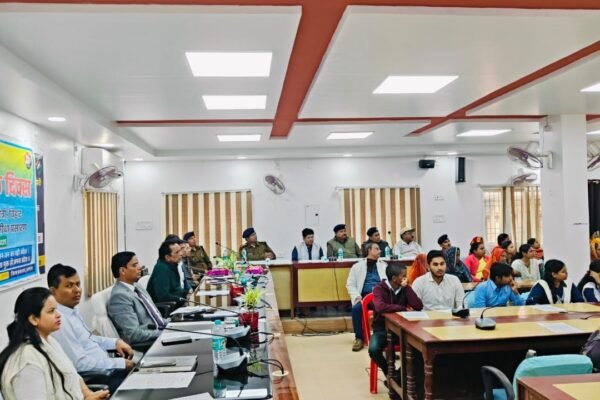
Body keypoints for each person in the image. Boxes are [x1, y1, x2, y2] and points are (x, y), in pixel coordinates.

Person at [0, 287, 110, 400]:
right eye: (51, 311)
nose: (58, 315)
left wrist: (88, 394)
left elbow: (72, 374)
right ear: (33, 319)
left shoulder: (49, 341)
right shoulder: (27, 363)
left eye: (56, 309)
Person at [47, 264, 135, 388]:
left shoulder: (72, 311)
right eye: (69, 286)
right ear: (53, 291)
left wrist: (115, 342)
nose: (77, 290)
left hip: (108, 370)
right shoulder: (59, 321)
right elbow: (79, 364)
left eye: (78, 284)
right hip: (99, 379)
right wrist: (119, 363)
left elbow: (89, 339)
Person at [368, 264, 422, 386]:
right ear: (394, 278)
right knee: (373, 349)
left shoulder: (404, 288)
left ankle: (400, 375)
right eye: (403, 276)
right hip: (382, 329)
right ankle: (391, 375)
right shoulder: (379, 289)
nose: (406, 278)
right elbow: (380, 307)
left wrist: (407, 288)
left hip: (403, 329)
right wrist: (402, 308)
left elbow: (418, 306)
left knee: (417, 349)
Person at [108, 251, 166, 350]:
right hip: (148, 344)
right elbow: (134, 334)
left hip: (159, 332)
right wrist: (164, 333)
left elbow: (155, 317)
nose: (139, 267)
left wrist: (172, 325)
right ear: (122, 271)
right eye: (134, 265)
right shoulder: (119, 297)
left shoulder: (137, 286)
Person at [345, 242, 386, 351]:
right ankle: (359, 338)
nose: (380, 251)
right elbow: (350, 284)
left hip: (380, 297)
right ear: (369, 251)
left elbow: (389, 283)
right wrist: (356, 296)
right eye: (377, 249)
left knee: (383, 309)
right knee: (356, 309)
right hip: (364, 298)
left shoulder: (384, 265)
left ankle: (381, 339)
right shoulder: (357, 266)